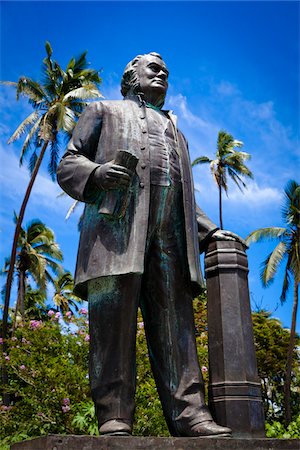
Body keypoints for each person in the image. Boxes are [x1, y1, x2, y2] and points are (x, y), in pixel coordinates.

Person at [57, 52, 241, 437]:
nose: (162, 75)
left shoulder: (177, 133)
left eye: (167, 72)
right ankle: (114, 414)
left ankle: (190, 413)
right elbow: (68, 163)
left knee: (177, 329)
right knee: (112, 329)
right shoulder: (103, 110)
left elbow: (183, 194)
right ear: (131, 76)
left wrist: (209, 232)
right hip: (114, 237)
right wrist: (99, 173)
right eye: (153, 69)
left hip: (169, 242)